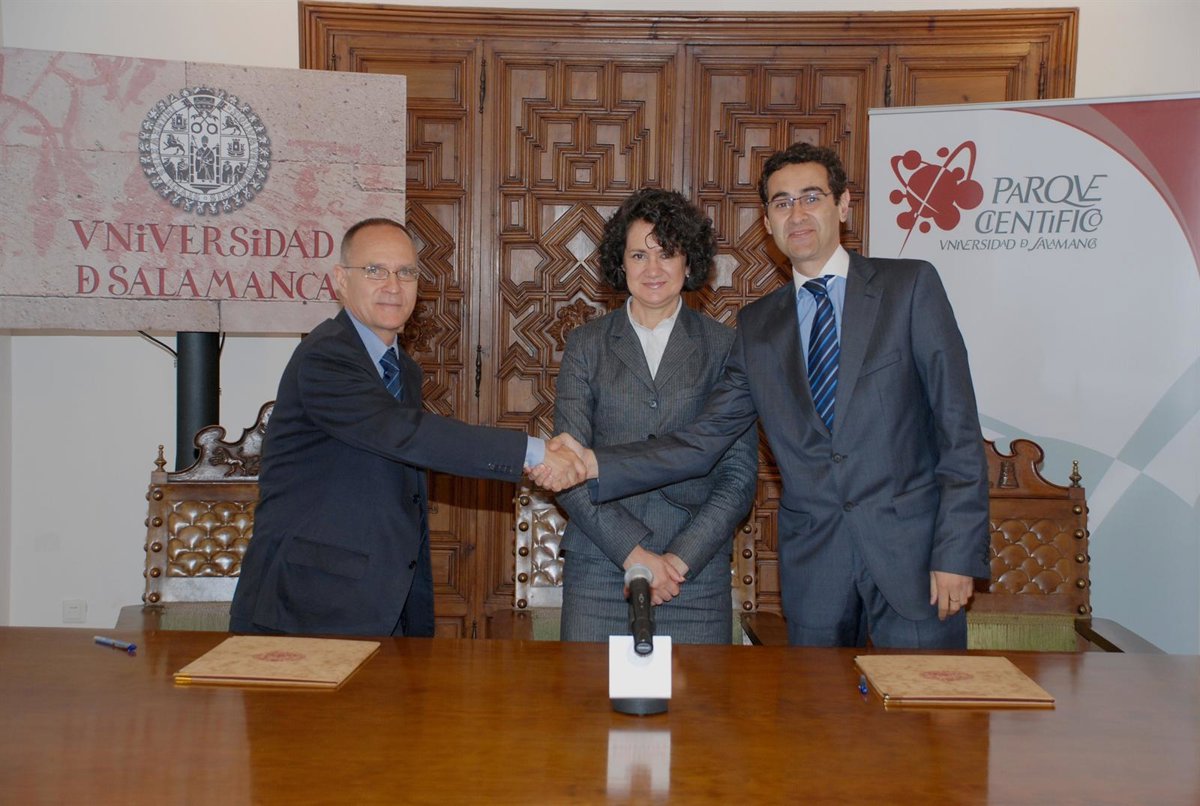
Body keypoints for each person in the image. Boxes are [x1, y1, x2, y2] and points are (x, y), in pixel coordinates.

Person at [539, 143, 990, 649]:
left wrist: (957, 552)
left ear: (843, 204)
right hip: (816, 572)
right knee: (815, 702)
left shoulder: (909, 287)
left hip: (915, 563)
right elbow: (703, 441)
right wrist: (593, 463)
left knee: (922, 700)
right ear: (768, 221)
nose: (796, 214)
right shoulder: (758, 328)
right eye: (781, 203)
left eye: (811, 197)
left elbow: (957, 429)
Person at [229, 217, 584, 637]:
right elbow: (405, 433)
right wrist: (533, 451)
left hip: (381, 596)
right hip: (311, 605)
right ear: (341, 280)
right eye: (375, 270)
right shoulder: (325, 356)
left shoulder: (403, 370)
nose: (393, 286)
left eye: (406, 272)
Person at [554, 188, 758, 644]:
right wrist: (634, 554)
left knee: (697, 693)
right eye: (639, 254)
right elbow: (567, 468)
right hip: (602, 566)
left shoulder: (725, 347)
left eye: (667, 253)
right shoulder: (586, 345)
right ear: (620, 262)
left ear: (689, 263)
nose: (653, 269)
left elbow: (739, 476)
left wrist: (678, 561)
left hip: (693, 575)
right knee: (587, 692)